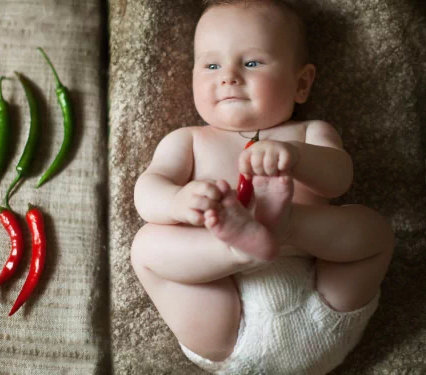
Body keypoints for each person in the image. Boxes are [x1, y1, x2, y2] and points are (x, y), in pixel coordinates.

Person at [129, 0, 395, 373]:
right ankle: (240, 249)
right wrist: (175, 202)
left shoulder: (307, 133)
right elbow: (147, 190)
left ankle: (285, 225)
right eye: (211, 65)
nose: (229, 76)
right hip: (225, 316)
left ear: (301, 83)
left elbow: (339, 179)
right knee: (146, 245)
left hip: (322, 299)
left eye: (251, 63)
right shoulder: (188, 140)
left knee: (374, 230)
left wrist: (296, 157)